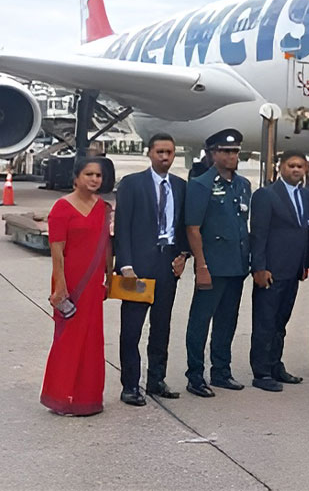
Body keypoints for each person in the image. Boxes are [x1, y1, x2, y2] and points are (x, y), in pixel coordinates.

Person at [115, 133, 189, 406]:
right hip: (137, 268)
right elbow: (122, 227)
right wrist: (125, 265)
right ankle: (130, 385)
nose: (164, 157)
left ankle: (156, 380)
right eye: (159, 151)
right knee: (132, 329)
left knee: (161, 327)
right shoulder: (132, 184)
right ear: (149, 153)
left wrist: (184, 255)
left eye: (169, 152)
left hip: (167, 266)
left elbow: (184, 227)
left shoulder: (181, 186)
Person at [41, 157, 112, 416]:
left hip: (94, 283)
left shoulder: (103, 208)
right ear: (76, 178)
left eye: (98, 176)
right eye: (89, 174)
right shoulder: (62, 207)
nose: (94, 179)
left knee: (92, 339)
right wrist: (60, 286)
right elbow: (56, 251)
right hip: (70, 281)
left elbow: (106, 246)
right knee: (67, 339)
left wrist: (109, 278)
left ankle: (87, 398)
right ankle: (60, 396)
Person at [184, 129, 251, 398]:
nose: (232, 156)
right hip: (211, 265)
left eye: (235, 151)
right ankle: (195, 375)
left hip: (236, 265)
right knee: (200, 321)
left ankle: (221, 371)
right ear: (212, 154)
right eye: (226, 151)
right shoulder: (201, 184)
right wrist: (201, 266)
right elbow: (193, 228)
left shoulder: (242, 185)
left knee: (227, 321)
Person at [248, 151, 309, 392]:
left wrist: (305, 263)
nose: (296, 170)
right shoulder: (266, 195)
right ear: (280, 167)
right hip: (271, 270)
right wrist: (259, 267)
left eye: (300, 166)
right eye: (291, 165)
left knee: (280, 322)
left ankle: (276, 365)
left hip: (293, 269)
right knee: (265, 322)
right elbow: (259, 234)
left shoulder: (306, 196)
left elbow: (306, 231)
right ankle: (261, 372)